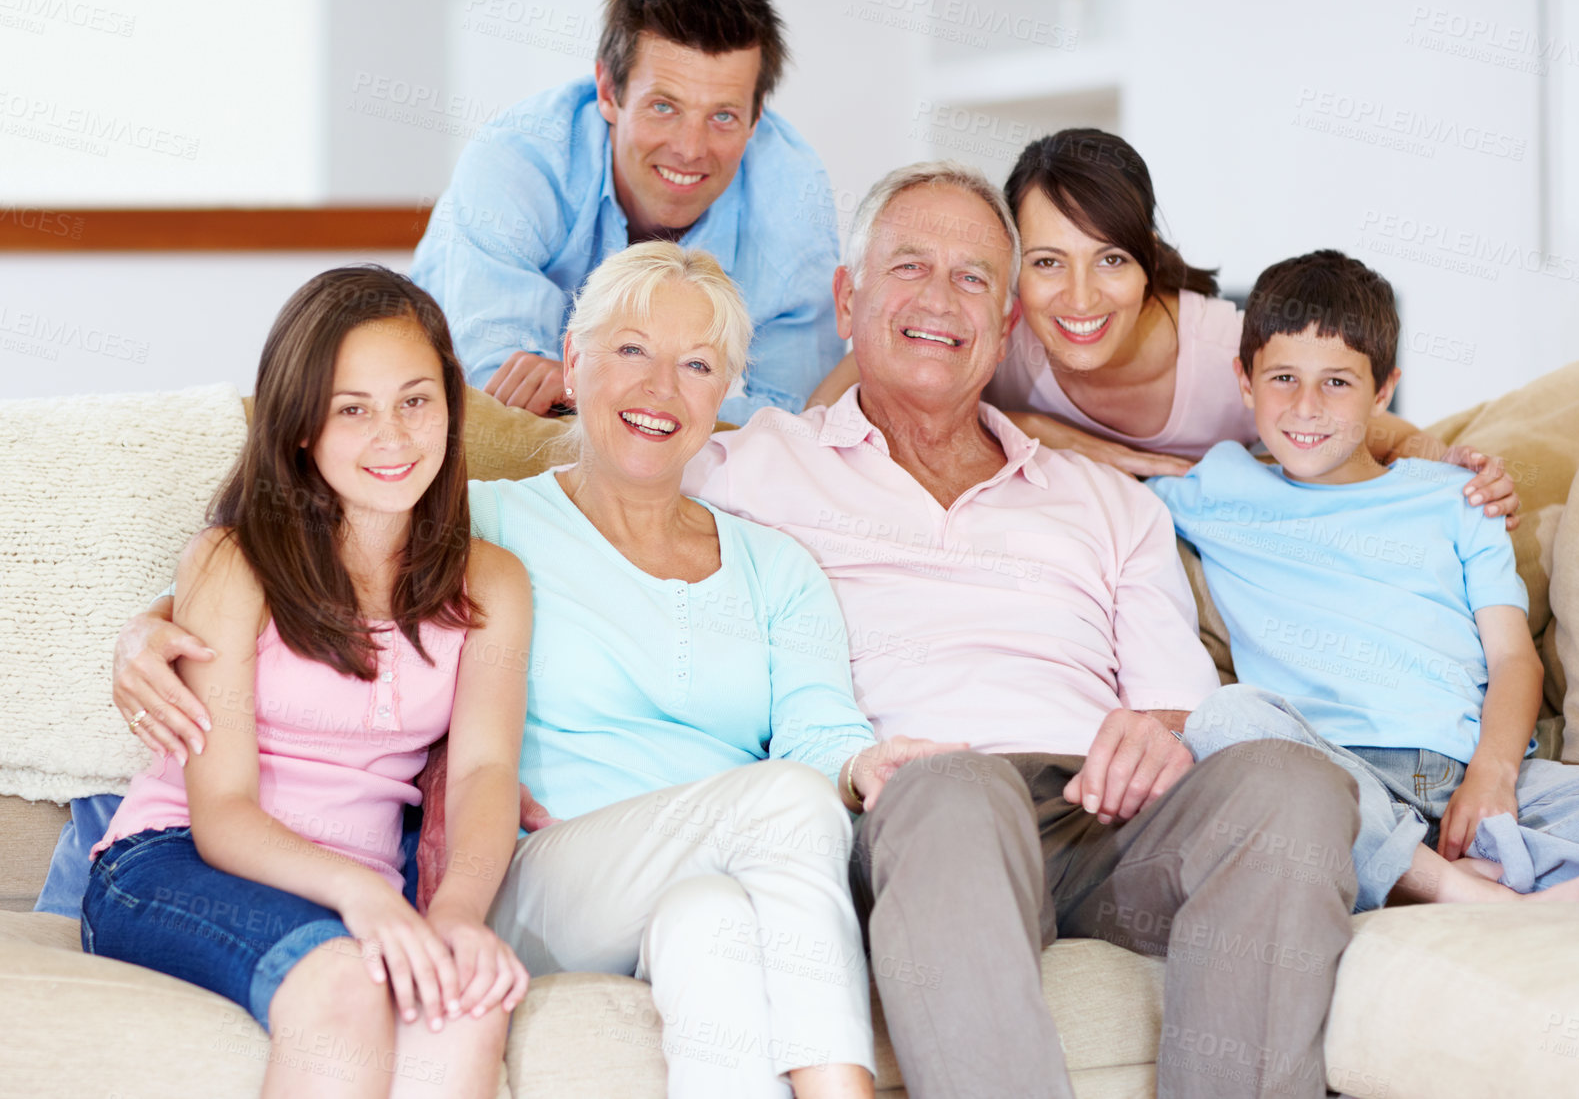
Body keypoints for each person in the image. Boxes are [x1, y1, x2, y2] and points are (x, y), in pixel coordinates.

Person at [111, 244, 954, 1099]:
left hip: (620, 868)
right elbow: (272, 577)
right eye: (630, 349)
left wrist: (855, 766)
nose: (660, 387)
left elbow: (488, 766)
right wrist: (146, 627)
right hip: (387, 866)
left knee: (691, 933)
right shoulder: (484, 524)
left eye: (696, 364)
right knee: (781, 799)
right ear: (573, 358)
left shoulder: (511, 572)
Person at [682, 162, 1364, 1099]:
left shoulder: (1105, 504)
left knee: (1292, 784)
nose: (940, 298)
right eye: (908, 267)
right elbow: (604, 495)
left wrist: (1157, 734)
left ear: (1003, 325)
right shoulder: (742, 467)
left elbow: (1181, 708)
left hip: (1100, 818)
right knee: (952, 788)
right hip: (908, 812)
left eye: (972, 279)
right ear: (847, 302)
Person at [83, 268, 534, 1099]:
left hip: (360, 886)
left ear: (450, 404)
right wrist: (363, 895)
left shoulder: (493, 584)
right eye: (350, 408)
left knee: (466, 1003)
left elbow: (481, 772)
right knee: (344, 983)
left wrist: (458, 913)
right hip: (177, 863)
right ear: (300, 429)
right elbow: (221, 813)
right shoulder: (235, 561)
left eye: (414, 400)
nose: (391, 437)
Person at [1147, 249, 1579, 911]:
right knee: (1224, 721)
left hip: (1460, 774)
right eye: (1282, 377)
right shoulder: (1217, 486)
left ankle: (1460, 868)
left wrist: (1492, 773)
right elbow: (1056, 455)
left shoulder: (1459, 495)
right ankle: (1454, 885)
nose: (1305, 407)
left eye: (1336, 382)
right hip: (1328, 783)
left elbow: (1513, 658)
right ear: (1243, 382)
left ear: (1383, 390)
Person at [808, 128, 1521, 528]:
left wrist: (1444, 457)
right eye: (1049, 262)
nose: (1079, 299)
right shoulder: (1003, 336)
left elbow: (1351, 418)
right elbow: (845, 393)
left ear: (1147, 258)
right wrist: (1054, 433)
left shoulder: (1220, 353)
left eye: (1110, 259)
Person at [411, 0, 843, 425]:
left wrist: (592, 392)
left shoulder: (793, 199)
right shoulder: (517, 163)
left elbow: (790, 420)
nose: (690, 149)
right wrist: (663, 414)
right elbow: (503, 397)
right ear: (608, 91)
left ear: (757, 116)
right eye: (664, 107)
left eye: (723, 116)